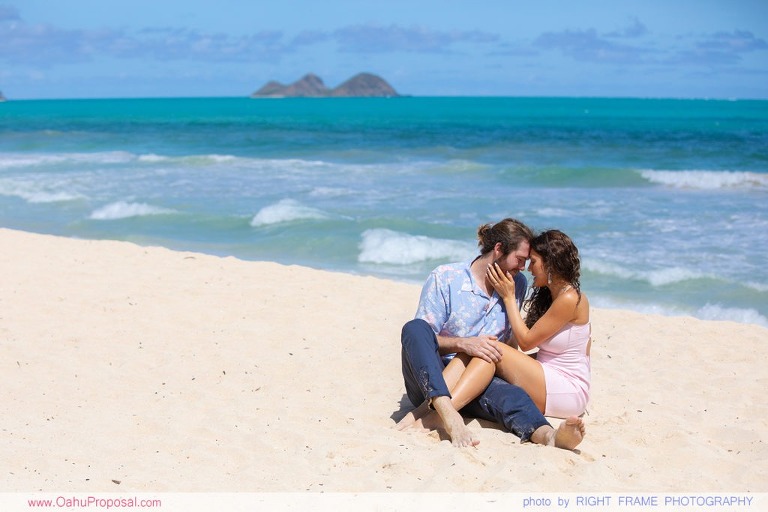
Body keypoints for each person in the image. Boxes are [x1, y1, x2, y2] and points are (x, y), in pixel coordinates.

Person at [396, 219, 585, 449]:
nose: (523, 268)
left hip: (477, 382)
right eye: (520, 260)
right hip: (433, 382)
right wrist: (464, 344)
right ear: (498, 250)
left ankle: (550, 436)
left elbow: (510, 348)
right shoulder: (445, 277)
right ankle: (443, 410)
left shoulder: (517, 285)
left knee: (512, 395)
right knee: (414, 328)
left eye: (528, 262)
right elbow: (424, 342)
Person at [443, 229, 591, 426]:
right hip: (548, 376)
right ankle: (434, 404)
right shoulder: (553, 296)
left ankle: (444, 413)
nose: (529, 269)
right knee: (477, 349)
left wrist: (508, 297)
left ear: (550, 264)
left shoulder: (570, 298)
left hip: (567, 390)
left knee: (491, 349)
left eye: (534, 262)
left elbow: (526, 342)